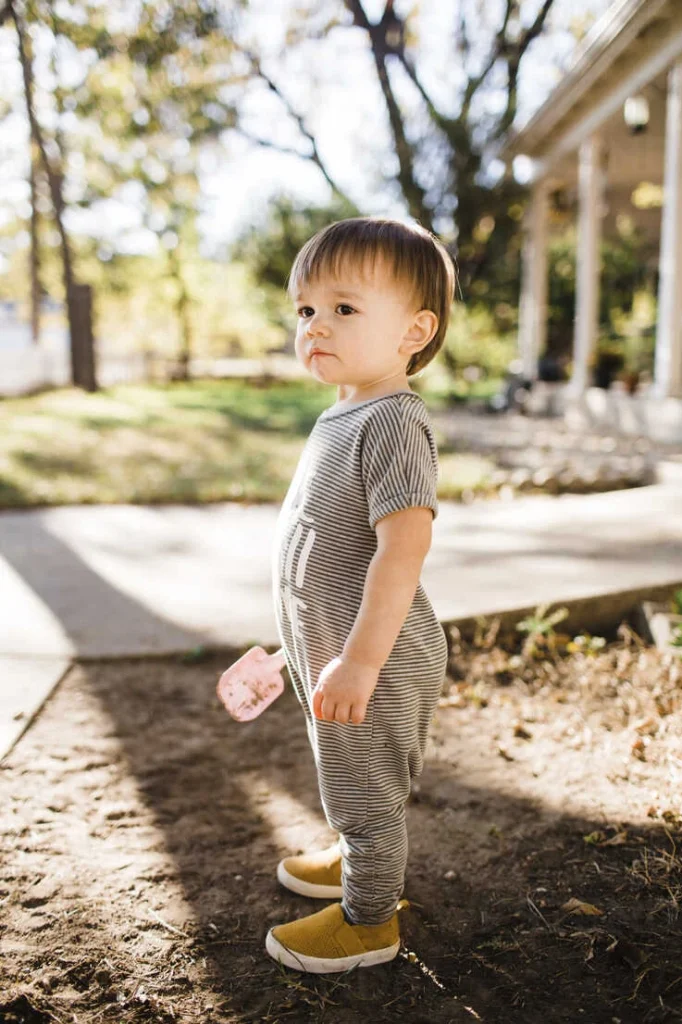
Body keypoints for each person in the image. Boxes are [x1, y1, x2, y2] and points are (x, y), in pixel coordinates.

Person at [267, 217, 455, 974]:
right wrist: (283, 651)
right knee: (345, 773)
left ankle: (369, 920)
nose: (316, 325)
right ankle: (355, 857)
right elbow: (319, 549)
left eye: (344, 308)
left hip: (375, 653)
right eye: (306, 309)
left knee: (367, 793)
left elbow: (402, 549)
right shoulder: (342, 415)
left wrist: (361, 661)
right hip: (339, 649)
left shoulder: (395, 421)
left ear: (415, 330)